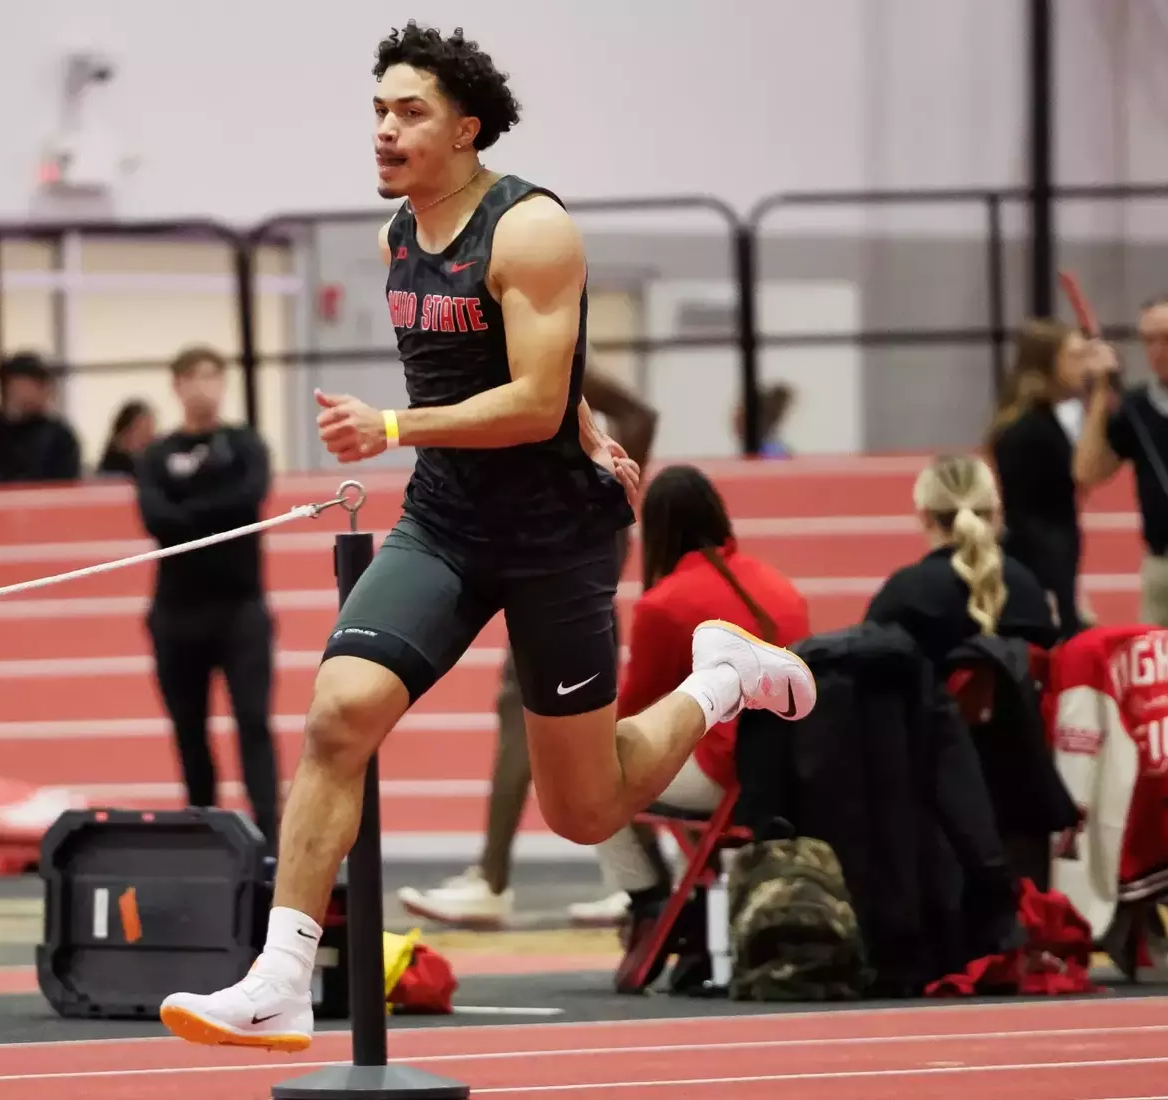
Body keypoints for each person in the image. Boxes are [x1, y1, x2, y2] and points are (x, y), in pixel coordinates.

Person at [159, 23, 816, 1052]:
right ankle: (282, 971)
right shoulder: (397, 236)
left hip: (555, 540)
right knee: (341, 712)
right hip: (447, 524)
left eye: (409, 112)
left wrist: (394, 427)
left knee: (587, 810)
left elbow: (533, 393)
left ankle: (719, 678)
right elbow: (518, 378)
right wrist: (580, 426)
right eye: (378, 110)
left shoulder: (530, 229)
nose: (385, 129)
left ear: (466, 130)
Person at [396, 364, 657, 928]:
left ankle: (506, 881)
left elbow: (641, 415)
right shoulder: (526, 378)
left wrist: (608, 487)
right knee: (554, 726)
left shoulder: (559, 365)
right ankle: (630, 879)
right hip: (550, 558)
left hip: (572, 565)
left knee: (562, 729)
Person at [597, 464, 810, 959]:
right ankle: (674, 902)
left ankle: (650, 903)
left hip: (726, 774)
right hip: (793, 768)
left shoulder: (664, 604)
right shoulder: (780, 586)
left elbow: (629, 715)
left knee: (588, 771)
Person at [133, 346, 280, 848]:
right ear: (176, 385)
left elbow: (249, 499)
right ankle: (202, 833)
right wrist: (212, 510)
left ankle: (272, 837)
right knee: (190, 730)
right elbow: (156, 518)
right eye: (193, 378)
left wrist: (190, 507)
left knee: (253, 723)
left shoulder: (244, 444)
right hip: (176, 614)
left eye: (213, 377)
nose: (204, 388)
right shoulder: (155, 454)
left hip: (239, 610)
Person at [865, 454, 1058, 668]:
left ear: (925, 516)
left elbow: (863, 674)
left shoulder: (902, 594)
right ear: (995, 513)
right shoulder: (1027, 589)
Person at [1073, 293, 1168, 631]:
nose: (1158, 349)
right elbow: (1087, 471)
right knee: (1162, 678)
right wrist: (1099, 390)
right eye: (1149, 340)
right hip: (1163, 568)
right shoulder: (1136, 407)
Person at [986, 320, 1094, 639]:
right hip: (1041, 568)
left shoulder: (1046, 419)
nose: (1084, 366)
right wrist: (1055, 593)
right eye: (1075, 357)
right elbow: (1029, 516)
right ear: (1047, 362)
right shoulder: (1028, 429)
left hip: (1053, 564)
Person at [0, 351, 84, 485]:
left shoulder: (60, 436)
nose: (47, 392)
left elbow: (69, 484)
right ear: (12, 386)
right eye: (38, 385)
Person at [97, 399, 157, 476]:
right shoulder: (112, 470)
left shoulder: (154, 465)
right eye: (141, 431)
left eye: (150, 431)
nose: (149, 438)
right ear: (123, 434)